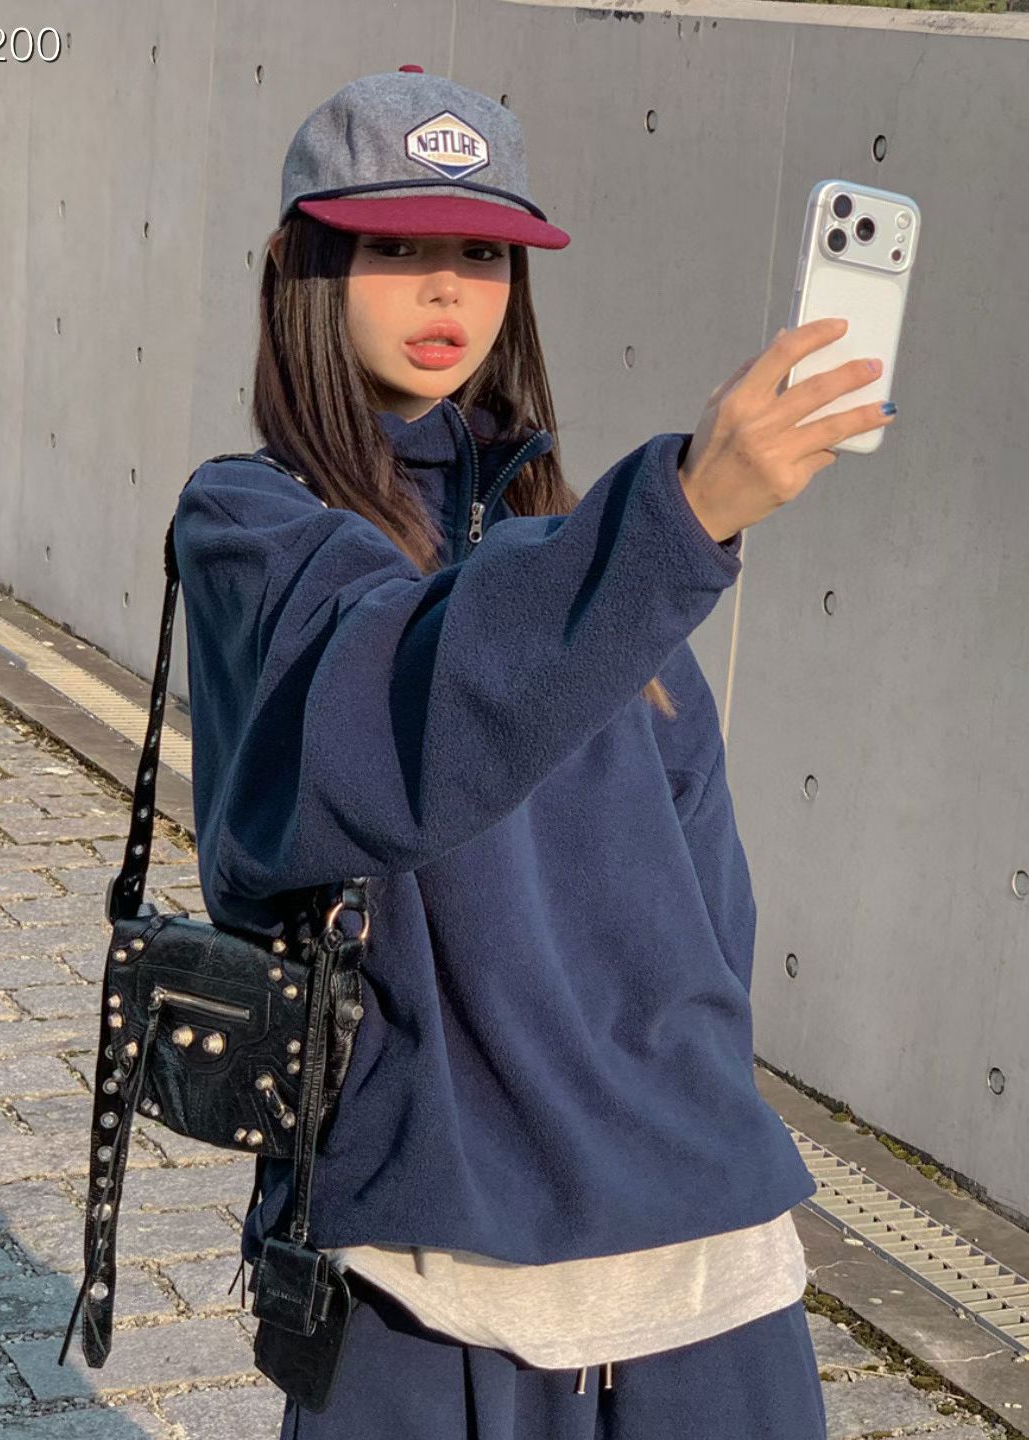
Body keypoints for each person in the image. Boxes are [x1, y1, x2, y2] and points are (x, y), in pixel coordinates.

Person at [173, 67, 896, 1440]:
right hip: (431, 1272)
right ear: (298, 266)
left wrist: (694, 1079)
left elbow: (705, 882)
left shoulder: (565, 538)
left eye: (484, 251)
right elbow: (394, 719)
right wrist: (680, 517)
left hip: (704, 1262)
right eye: (396, 247)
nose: (448, 289)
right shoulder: (255, 530)